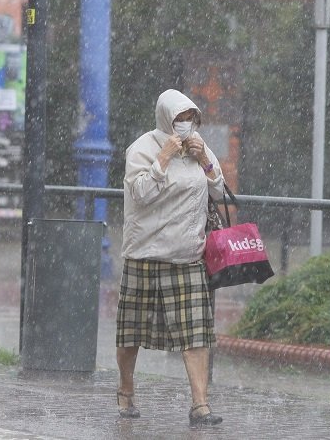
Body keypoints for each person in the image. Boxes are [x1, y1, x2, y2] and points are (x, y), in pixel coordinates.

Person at [116, 88, 225, 427]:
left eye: (190, 118)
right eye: (179, 118)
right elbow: (141, 194)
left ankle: (200, 404)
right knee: (131, 332)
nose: (185, 124)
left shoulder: (198, 146)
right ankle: (126, 390)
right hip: (145, 254)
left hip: (187, 255)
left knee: (195, 334)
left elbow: (220, 191)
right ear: (166, 117)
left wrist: (205, 160)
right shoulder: (143, 148)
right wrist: (163, 159)